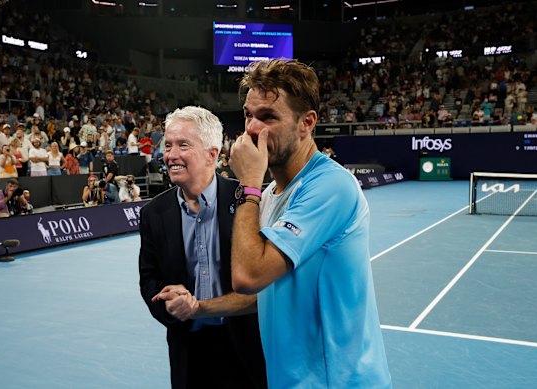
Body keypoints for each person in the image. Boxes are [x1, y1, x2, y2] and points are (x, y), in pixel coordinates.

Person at [229, 59, 392, 388]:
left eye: (268, 117)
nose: (251, 130)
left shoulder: (331, 186)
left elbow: (248, 276)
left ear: (307, 123)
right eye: (248, 114)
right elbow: (264, 291)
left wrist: (248, 184)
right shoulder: (271, 194)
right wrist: (198, 308)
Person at [138, 106, 267, 389]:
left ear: (212, 153)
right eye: (168, 145)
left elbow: (266, 280)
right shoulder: (153, 213)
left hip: (247, 347)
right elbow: (149, 280)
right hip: (187, 349)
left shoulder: (250, 200)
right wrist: (168, 304)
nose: (171, 155)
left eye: (183, 145)